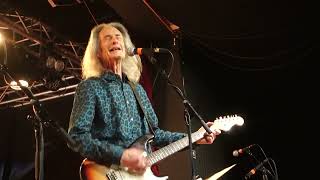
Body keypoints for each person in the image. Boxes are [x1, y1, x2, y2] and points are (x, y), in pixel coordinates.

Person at [67, 22, 221, 178]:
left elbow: (156, 135)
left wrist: (195, 138)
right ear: (97, 52)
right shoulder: (90, 87)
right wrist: (121, 155)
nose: (115, 41)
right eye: (108, 38)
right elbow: (76, 137)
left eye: (118, 37)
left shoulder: (137, 90)